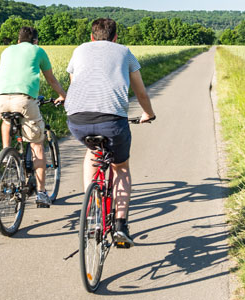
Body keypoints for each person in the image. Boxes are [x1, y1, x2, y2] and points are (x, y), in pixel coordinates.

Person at [64, 18, 156, 247]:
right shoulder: (124, 52)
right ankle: (120, 225)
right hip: (112, 121)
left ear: (92, 37)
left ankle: (93, 210)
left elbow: (74, 82)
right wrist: (148, 113)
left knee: (92, 154)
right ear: (115, 37)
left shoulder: (79, 50)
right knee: (120, 167)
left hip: (77, 119)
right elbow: (140, 92)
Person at [0, 26, 67, 206]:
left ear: (18, 40)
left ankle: (7, 154)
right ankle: (41, 193)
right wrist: (64, 95)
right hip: (24, 100)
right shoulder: (38, 50)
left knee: (6, 119)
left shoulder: (7, 50)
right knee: (36, 143)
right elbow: (51, 80)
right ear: (35, 41)